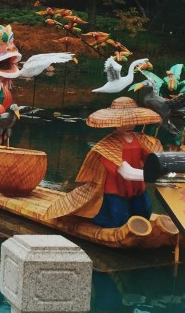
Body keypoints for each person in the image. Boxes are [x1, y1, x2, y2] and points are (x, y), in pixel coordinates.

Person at [44, 96, 162, 228]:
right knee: (118, 220)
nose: (129, 125)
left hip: (137, 188)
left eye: (131, 121)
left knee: (144, 212)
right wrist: (156, 175)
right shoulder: (106, 147)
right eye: (124, 121)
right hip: (116, 190)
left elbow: (153, 160)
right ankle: (95, 217)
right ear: (115, 122)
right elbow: (127, 173)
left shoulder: (141, 140)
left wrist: (164, 168)